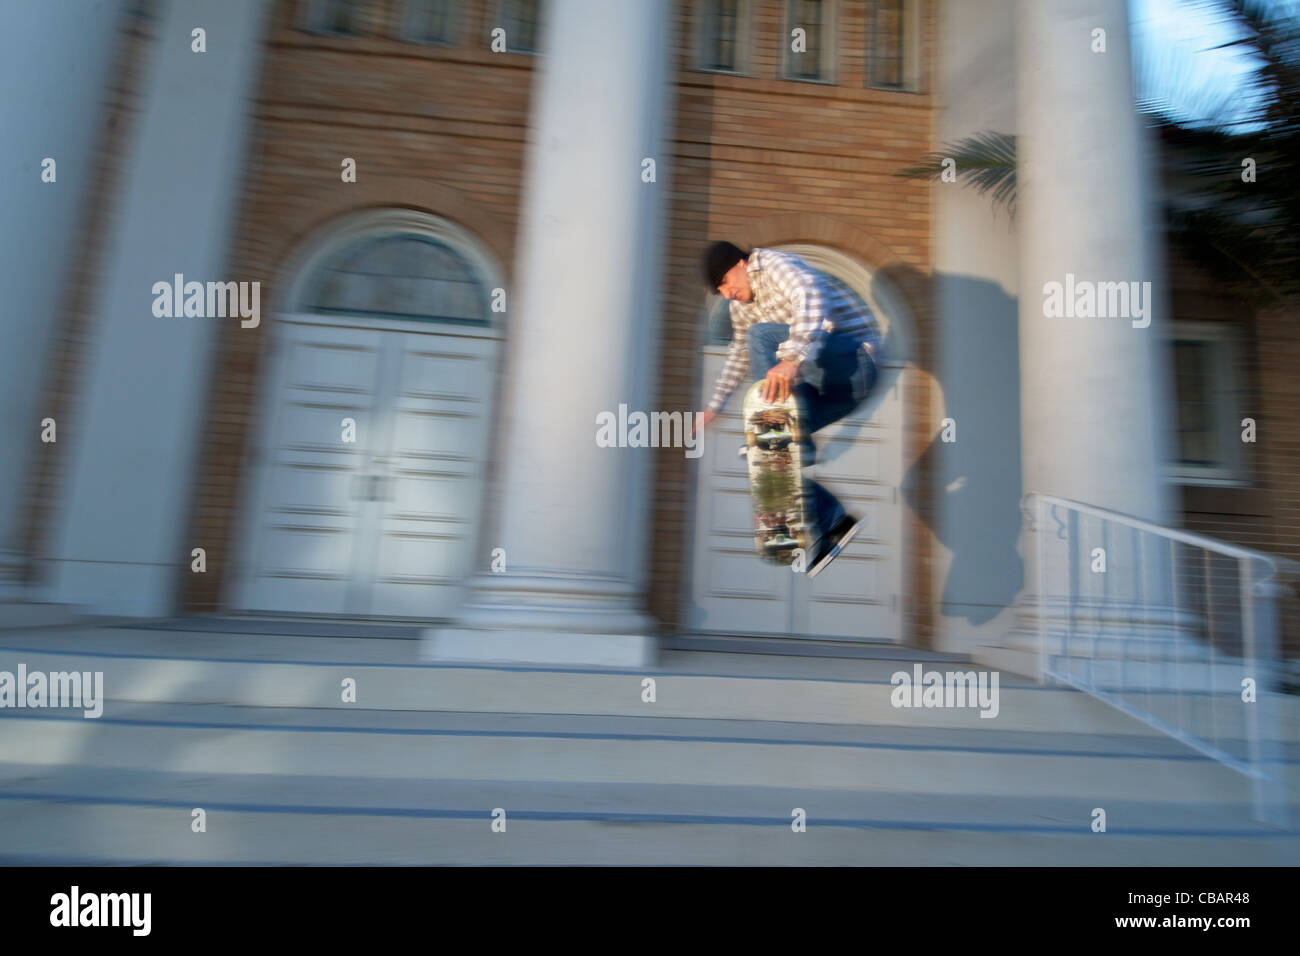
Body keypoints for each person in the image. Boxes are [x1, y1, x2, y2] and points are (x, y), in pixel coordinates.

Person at [695, 241, 881, 577]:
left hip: (855, 362)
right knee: (764, 453)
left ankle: (782, 433)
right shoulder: (743, 307)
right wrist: (713, 407)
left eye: (725, 282)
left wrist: (791, 359)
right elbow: (739, 357)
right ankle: (833, 521)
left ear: (740, 264)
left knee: (762, 336)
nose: (727, 294)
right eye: (720, 291)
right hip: (833, 392)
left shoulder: (771, 264)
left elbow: (809, 295)